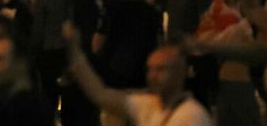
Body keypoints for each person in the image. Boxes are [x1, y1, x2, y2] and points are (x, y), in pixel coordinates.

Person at [65, 34, 212, 126]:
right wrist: (75, 51)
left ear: (180, 72)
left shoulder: (192, 116)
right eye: (150, 69)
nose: (152, 76)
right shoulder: (148, 103)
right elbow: (101, 95)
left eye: (161, 69)